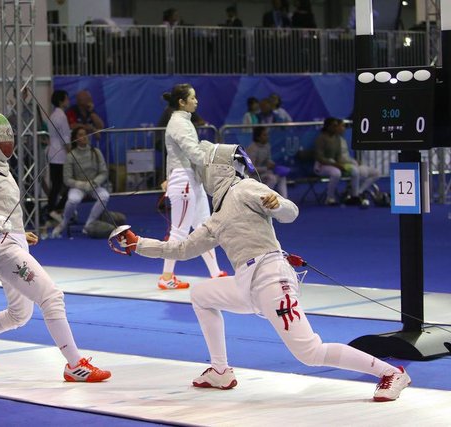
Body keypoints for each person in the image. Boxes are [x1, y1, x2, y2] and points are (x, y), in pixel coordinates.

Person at [115, 142, 410, 401]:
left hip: (272, 278)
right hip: (246, 283)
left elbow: (291, 212)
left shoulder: (245, 188)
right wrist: (138, 244)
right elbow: (182, 249)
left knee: (310, 353)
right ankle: (220, 371)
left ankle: (391, 373)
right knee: (202, 295)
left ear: (219, 169)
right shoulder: (217, 217)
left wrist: (277, 204)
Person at [0, 113, 111, 383]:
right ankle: (75, 365)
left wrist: (18, 232)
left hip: (12, 243)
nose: (6, 141)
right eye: (0, 137)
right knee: (52, 296)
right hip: (1, 249)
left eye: (7, 136)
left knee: (18, 315)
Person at [158, 83, 226, 291]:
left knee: (205, 227)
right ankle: (166, 277)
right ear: (182, 102)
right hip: (183, 180)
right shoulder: (179, 123)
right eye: (192, 98)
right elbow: (192, 152)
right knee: (179, 230)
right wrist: (216, 160)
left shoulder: (184, 121)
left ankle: (216, 272)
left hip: (191, 179)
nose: (196, 101)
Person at [51, 126, 110, 238]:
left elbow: (103, 172)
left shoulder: (96, 152)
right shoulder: (70, 156)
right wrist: (82, 184)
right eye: (80, 135)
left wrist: (94, 183)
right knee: (73, 200)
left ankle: (88, 225)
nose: (84, 137)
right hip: (77, 187)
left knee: (104, 196)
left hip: (94, 185)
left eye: (85, 134)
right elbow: (67, 179)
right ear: (75, 138)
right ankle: (64, 222)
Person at [314, 117, 378, 206]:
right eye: (334, 126)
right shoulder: (321, 139)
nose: (336, 128)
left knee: (354, 171)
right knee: (336, 173)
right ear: (328, 127)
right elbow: (319, 157)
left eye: (337, 126)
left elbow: (338, 156)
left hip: (336, 164)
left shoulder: (337, 139)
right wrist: (336, 164)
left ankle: (354, 196)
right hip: (321, 166)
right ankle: (330, 198)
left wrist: (342, 164)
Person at [46, 90, 71, 223]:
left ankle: (53, 209)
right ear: (61, 101)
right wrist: (71, 153)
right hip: (60, 154)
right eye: (67, 99)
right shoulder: (61, 116)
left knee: (56, 185)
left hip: (54, 152)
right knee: (62, 184)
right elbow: (65, 137)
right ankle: (54, 209)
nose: (68, 101)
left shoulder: (54, 115)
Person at [246, 127, 288, 198]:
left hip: (264, 173)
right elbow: (251, 169)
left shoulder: (267, 146)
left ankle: (285, 200)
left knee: (282, 177)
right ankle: (264, 199)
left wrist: (271, 163)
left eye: (267, 134)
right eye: (264, 135)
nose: (267, 137)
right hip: (253, 176)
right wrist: (266, 168)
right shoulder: (252, 149)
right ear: (258, 137)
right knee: (272, 178)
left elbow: (268, 159)